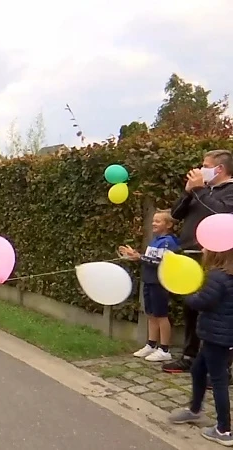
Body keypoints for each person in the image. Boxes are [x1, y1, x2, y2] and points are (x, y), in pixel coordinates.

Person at [163, 149, 233, 374]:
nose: (200, 170)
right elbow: (175, 214)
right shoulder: (201, 191)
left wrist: (201, 190)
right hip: (191, 257)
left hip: (217, 261)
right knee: (191, 308)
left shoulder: (229, 191)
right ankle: (189, 355)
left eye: (205, 165)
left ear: (219, 169)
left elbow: (220, 212)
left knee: (218, 312)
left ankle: (220, 365)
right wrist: (188, 194)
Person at [167, 248, 233, 446]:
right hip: (221, 335)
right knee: (197, 370)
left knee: (218, 380)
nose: (202, 249)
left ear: (217, 253)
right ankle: (194, 410)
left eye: (206, 247)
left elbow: (202, 302)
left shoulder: (216, 276)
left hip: (216, 336)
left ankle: (224, 430)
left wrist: (188, 293)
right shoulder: (227, 275)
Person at [119, 209, 179, 362]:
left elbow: (161, 263)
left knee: (161, 316)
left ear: (169, 225)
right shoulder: (155, 240)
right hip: (149, 281)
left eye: (158, 221)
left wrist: (140, 257)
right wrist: (135, 257)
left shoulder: (169, 242)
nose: (153, 223)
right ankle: (151, 344)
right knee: (151, 315)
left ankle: (165, 349)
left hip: (159, 283)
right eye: (153, 220)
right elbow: (148, 259)